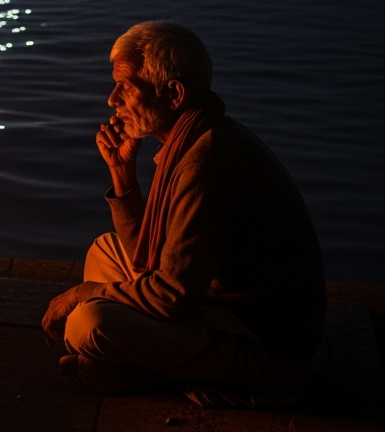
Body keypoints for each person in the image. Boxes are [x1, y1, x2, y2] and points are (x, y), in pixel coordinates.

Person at [42, 21, 327, 407]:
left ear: (173, 93)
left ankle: (143, 371)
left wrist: (84, 293)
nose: (112, 99)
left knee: (87, 323)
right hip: (210, 304)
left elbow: (171, 297)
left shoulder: (206, 160)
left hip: (266, 347)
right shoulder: (194, 137)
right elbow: (155, 262)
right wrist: (123, 177)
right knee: (105, 250)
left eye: (126, 86)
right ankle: (136, 364)